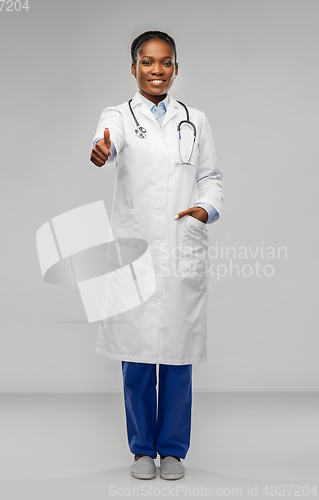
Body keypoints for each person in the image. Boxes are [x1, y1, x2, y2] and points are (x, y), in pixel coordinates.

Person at [90, 30, 223, 480]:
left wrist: (206, 208)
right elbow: (107, 144)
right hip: (136, 250)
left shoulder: (195, 120)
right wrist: (102, 150)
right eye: (148, 62)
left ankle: (173, 451)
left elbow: (211, 177)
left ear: (176, 69)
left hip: (180, 248)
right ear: (134, 68)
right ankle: (142, 450)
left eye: (165, 62)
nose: (157, 70)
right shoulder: (119, 116)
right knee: (139, 358)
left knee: (178, 357)